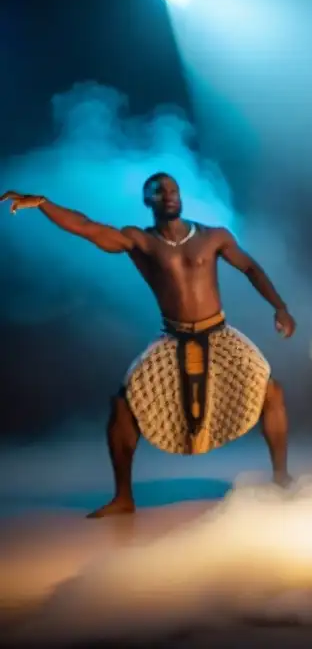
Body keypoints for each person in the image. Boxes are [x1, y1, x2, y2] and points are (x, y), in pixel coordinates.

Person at [1, 173, 296, 518]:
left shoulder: (213, 236)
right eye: (160, 192)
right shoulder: (140, 241)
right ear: (148, 201)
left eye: (173, 190)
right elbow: (87, 227)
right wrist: (43, 203)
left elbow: (250, 267)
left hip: (219, 335)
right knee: (123, 408)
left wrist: (280, 306)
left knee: (271, 393)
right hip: (172, 339)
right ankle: (123, 497)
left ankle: (281, 477)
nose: (169, 196)